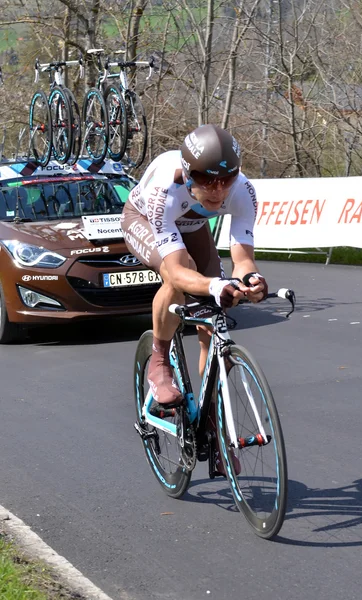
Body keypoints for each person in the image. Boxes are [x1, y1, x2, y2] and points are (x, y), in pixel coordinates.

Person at [121, 124, 268, 471]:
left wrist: (252, 279)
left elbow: (243, 258)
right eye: (206, 179)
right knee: (183, 274)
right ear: (188, 173)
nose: (218, 190)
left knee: (214, 325)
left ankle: (213, 424)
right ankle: (158, 361)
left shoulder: (244, 190)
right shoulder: (164, 188)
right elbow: (175, 271)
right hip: (143, 219)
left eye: (226, 179)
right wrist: (215, 285)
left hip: (192, 224)